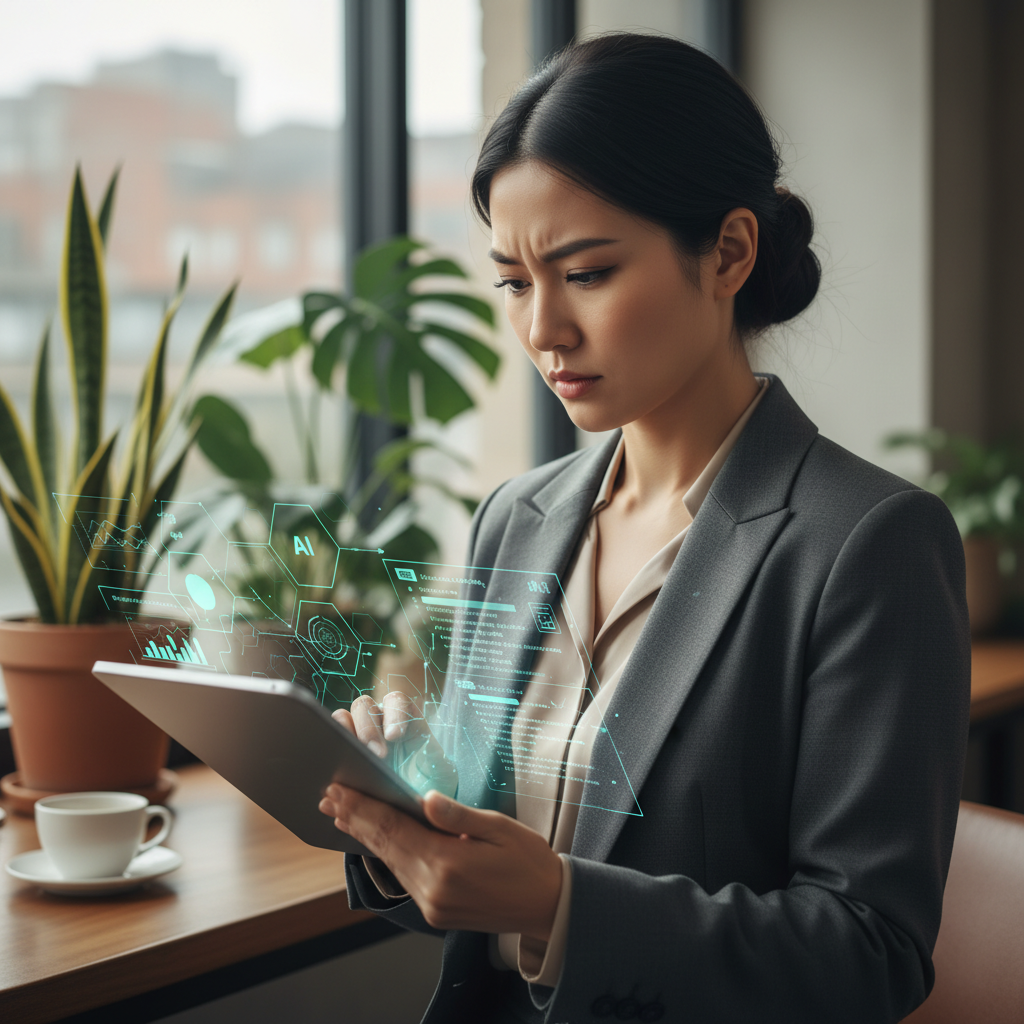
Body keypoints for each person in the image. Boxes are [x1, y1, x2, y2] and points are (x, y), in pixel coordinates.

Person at [318, 33, 970, 1024]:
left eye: (584, 273)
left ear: (729, 252)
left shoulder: (867, 543)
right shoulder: (515, 518)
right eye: (512, 281)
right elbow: (482, 875)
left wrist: (561, 905)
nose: (542, 329)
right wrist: (402, 811)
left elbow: (867, 953)